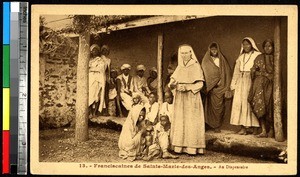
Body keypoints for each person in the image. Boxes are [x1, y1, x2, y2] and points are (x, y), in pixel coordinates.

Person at [168, 44, 206, 155]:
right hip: (180, 98)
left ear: (191, 53)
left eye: (186, 53)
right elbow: (172, 81)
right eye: (182, 53)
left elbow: (200, 84)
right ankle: (179, 147)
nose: (184, 55)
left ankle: (192, 148)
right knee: (180, 120)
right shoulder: (179, 67)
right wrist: (173, 85)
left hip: (191, 98)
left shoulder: (195, 66)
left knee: (191, 121)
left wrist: (188, 87)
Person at [230, 37, 261, 135]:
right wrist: (233, 86)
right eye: (244, 44)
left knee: (251, 103)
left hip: (252, 81)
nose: (246, 46)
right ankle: (243, 128)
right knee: (240, 103)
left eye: (248, 44)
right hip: (240, 81)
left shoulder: (258, 55)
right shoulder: (240, 57)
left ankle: (255, 128)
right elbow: (236, 72)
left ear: (252, 44)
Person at [201, 42, 232, 133]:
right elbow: (204, 73)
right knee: (208, 108)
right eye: (212, 49)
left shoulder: (221, 60)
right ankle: (209, 125)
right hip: (210, 88)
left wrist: (221, 81)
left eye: (215, 49)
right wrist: (209, 84)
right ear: (209, 50)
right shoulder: (206, 60)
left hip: (220, 87)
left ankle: (217, 126)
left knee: (219, 108)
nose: (214, 51)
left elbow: (226, 72)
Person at [248, 39, 275, 138]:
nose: (267, 48)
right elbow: (254, 70)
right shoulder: (259, 57)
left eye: (270, 46)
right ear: (263, 48)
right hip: (258, 86)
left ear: (273, 47)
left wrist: (268, 76)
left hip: (271, 86)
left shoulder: (275, 58)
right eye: (265, 46)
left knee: (270, 106)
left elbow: (276, 74)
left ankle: (272, 129)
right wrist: (256, 71)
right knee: (259, 104)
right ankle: (263, 130)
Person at [88, 44, 109, 117]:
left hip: (97, 79)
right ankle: (90, 112)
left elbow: (101, 69)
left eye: (96, 50)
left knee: (97, 95)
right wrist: (93, 69)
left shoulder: (100, 60)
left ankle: (95, 112)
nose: (95, 51)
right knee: (90, 95)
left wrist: (91, 69)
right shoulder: (89, 60)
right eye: (93, 50)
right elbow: (87, 69)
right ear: (91, 52)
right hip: (90, 79)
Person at [100, 45, 111, 116]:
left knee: (106, 94)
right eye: (103, 50)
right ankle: (99, 110)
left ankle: (105, 110)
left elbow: (108, 70)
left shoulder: (109, 60)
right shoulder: (99, 59)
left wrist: (109, 79)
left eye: (106, 50)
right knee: (99, 94)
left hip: (106, 77)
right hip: (99, 77)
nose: (105, 52)